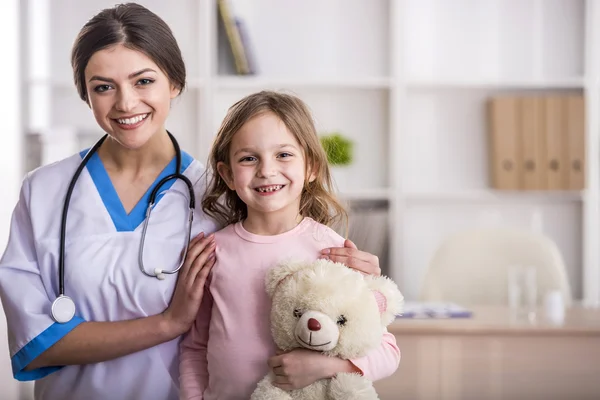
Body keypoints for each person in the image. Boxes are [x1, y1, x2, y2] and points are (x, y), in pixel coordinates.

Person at [0, 3, 383, 400]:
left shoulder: (219, 196)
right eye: (103, 86)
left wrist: (356, 283)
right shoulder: (44, 192)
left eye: (144, 81)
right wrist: (168, 323)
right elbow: (38, 340)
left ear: (175, 83)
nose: (126, 103)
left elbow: (283, 306)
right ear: (86, 94)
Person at [179, 91, 400, 399]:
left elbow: (387, 351)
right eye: (248, 158)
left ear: (310, 166)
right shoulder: (213, 251)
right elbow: (195, 347)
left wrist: (325, 366)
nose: (266, 170)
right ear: (228, 174)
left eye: (283, 154)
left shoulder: (332, 252)